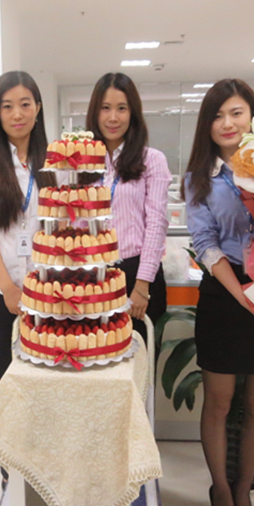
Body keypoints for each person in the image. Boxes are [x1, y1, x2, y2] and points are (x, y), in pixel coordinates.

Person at [183, 79, 254, 506]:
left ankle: (244, 489)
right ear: (207, 124)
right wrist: (242, 294)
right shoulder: (199, 179)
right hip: (224, 295)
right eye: (217, 115)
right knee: (220, 402)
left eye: (236, 112)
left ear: (253, 117)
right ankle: (221, 491)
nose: (227, 123)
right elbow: (205, 243)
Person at [0, 71, 53, 400]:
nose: (17, 114)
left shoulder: (55, 163)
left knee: (45, 376)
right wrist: (7, 287)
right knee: (1, 380)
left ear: (38, 108)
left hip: (46, 289)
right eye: (7, 106)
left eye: (25, 104)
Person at [85, 72, 171, 342]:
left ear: (133, 113)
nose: (113, 117)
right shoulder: (83, 163)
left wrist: (143, 284)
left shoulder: (151, 160)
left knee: (138, 358)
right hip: (93, 274)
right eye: (105, 108)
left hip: (136, 274)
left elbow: (156, 223)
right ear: (95, 112)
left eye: (121, 108)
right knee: (95, 354)